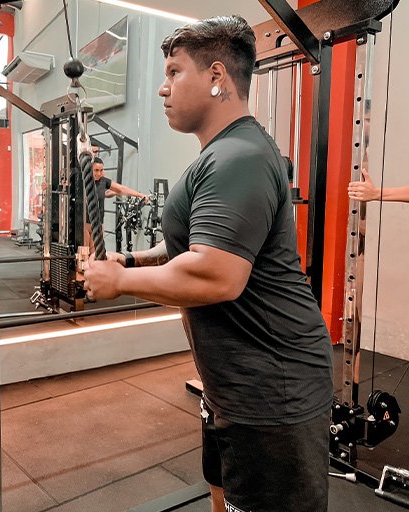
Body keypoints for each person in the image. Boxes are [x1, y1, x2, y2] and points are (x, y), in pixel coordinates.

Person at [83, 15, 333, 512]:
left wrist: (121, 280)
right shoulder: (218, 154)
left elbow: (216, 274)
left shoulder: (240, 157)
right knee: (222, 495)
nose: (162, 88)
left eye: (174, 72)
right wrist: (129, 257)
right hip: (229, 383)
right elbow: (189, 246)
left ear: (217, 75)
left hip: (272, 390)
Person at [85, 157, 148, 252]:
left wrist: (140, 195)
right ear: (90, 170)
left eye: (101, 170)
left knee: (95, 256)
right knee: (83, 255)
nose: (99, 173)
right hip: (85, 225)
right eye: (96, 170)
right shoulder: (85, 181)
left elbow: (121, 188)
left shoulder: (103, 181)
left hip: (98, 224)